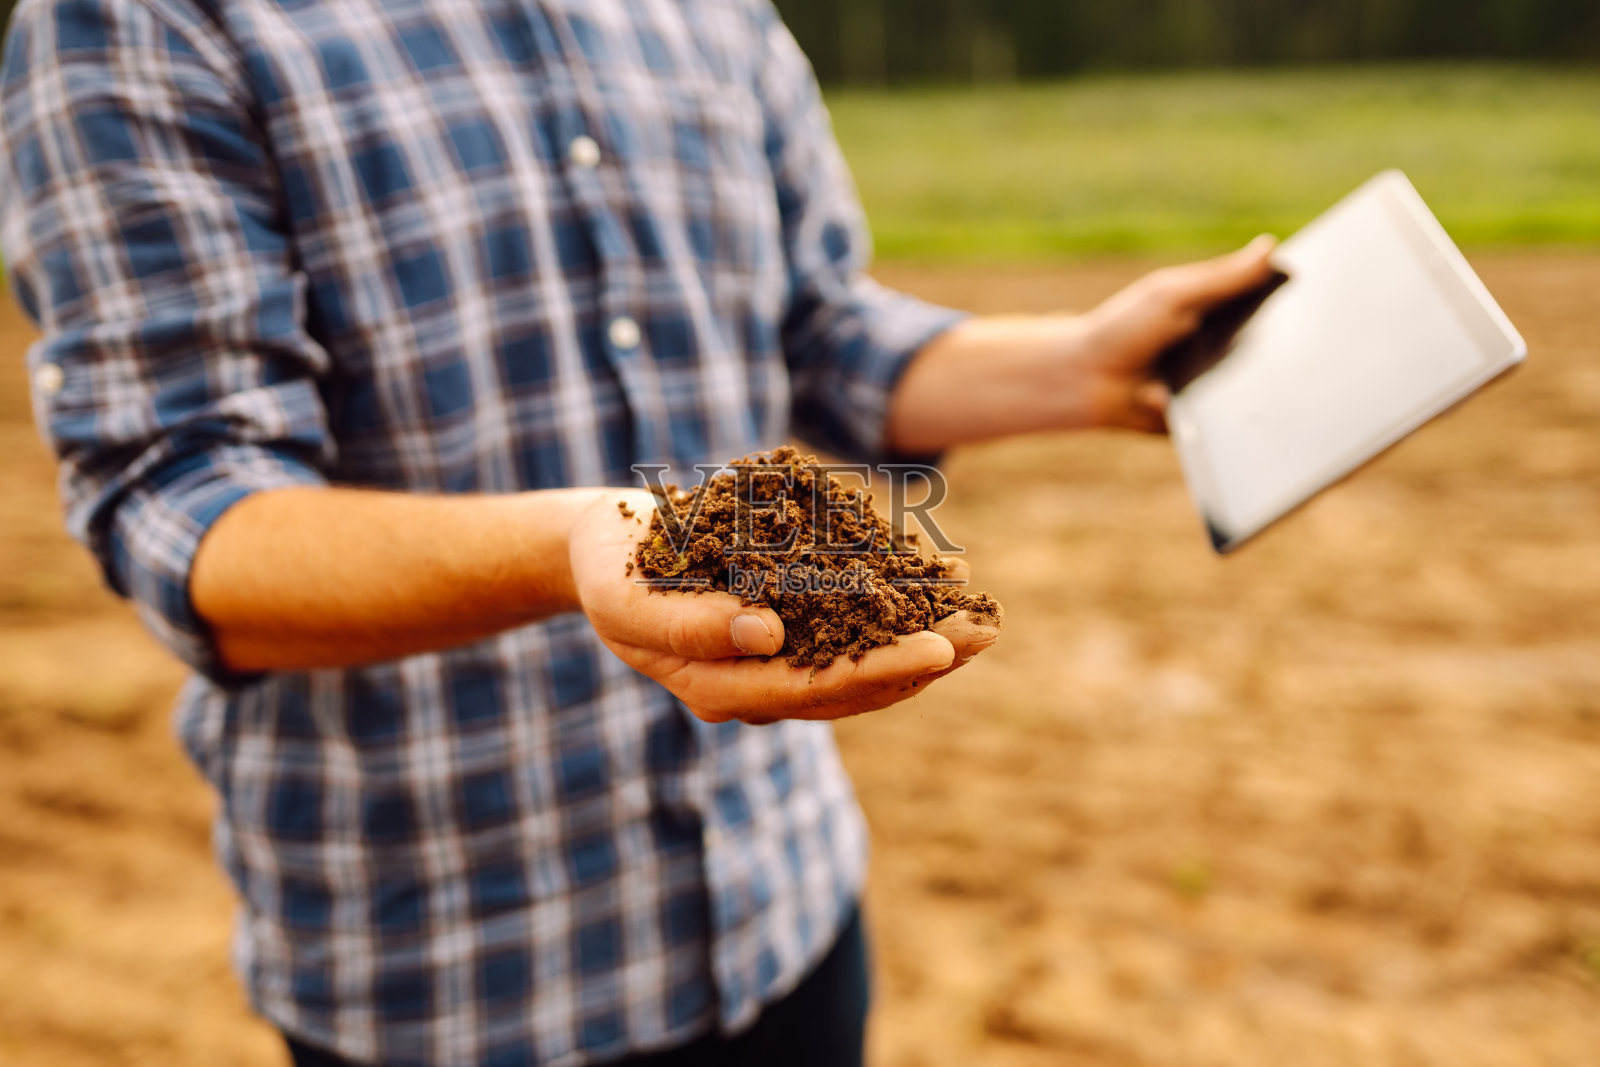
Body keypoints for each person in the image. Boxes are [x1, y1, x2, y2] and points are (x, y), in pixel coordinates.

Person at [0, 1, 1276, 1064]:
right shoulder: (144, 21)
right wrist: (577, 544)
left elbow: (820, 333)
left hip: (786, 900)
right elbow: (192, 514)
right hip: (455, 969)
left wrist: (1075, 363)